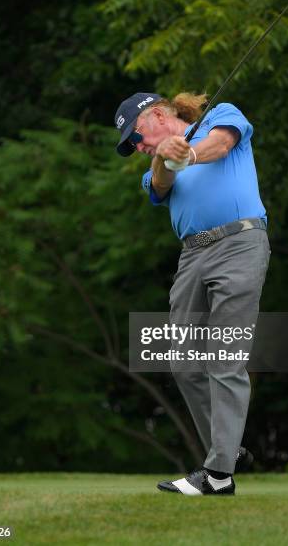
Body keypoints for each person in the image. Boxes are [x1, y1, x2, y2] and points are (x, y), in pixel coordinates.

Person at [114, 92, 270, 496]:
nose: (138, 146)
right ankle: (228, 450)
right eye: (132, 145)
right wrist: (165, 157)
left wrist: (189, 153)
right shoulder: (155, 166)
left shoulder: (222, 115)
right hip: (192, 257)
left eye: (138, 135)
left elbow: (221, 143)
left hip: (240, 243)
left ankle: (218, 474)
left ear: (161, 114)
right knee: (183, 362)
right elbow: (160, 184)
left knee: (224, 356)